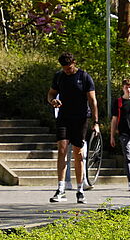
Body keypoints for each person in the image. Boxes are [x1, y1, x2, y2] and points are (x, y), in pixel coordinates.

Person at [47, 51, 98, 204]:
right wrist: (52, 102)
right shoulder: (59, 76)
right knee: (62, 149)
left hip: (81, 118)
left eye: (69, 68)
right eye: (64, 68)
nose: (67, 70)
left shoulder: (84, 77)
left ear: (74, 63)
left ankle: (80, 189)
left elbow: (93, 101)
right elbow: (50, 94)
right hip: (63, 117)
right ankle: (61, 188)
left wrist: (96, 123)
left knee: (78, 152)